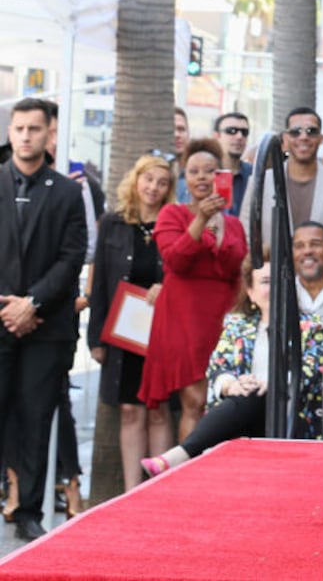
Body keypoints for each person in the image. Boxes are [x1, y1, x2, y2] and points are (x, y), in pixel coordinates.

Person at [140, 251, 323, 477]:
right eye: (267, 282)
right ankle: (183, 455)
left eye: (281, 280)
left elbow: (310, 373)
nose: (275, 288)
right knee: (246, 393)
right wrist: (231, 385)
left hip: (291, 417)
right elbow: (218, 367)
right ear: (250, 292)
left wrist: (269, 384)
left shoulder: (313, 326)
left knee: (252, 393)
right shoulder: (236, 325)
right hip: (241, 416)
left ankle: (180, 455)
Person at [0, 98, 87, 541]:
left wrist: (31, 304)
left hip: (46, 326)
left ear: (48, 133)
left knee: (37, 418)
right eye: (20, 128)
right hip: (0, 318)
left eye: (35, 128)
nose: (26, 136)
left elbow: (72, 258)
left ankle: (29, 510)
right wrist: (8, 307)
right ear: (11, 131)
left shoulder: (69, 193)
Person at [138, 138, 249, 442]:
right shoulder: (172, 214)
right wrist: (200, 220)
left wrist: (219, 225)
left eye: (210, 171)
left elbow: (234, 267)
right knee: (195, 401)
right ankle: (186, 469)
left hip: (221, 319)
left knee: (219, 404)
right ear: (185, 177)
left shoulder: (234, 224)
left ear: (222, 176)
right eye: (194, 171)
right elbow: (176, 260)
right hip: (183, 317)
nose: (202, 177)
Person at [88, 153, 176, 492]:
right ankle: (131, 492)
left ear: (169, 189)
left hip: (162, 335)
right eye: (148, 179)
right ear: (136, 180)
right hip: (122, 336)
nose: (153, 187)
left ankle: (160, 490)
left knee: (158, 410)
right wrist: (96, 339)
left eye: (161, 182)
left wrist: (165, 285)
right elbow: (99, 285)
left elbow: (184, 272)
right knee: (129, 411)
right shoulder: (113, 222)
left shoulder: (173, 223)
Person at [238, 107, 323, 275]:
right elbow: (247, 238)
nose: (304, 137)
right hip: (273, 286)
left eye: (311, 131)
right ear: (284, 139)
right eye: (296, 131)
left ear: (321, 139)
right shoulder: (260, 182)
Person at [213, 112, 253, 216]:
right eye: (231, 131)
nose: (239, 136)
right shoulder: (205, 174)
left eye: (244, 132)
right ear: (217, 136)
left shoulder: (254, 175)